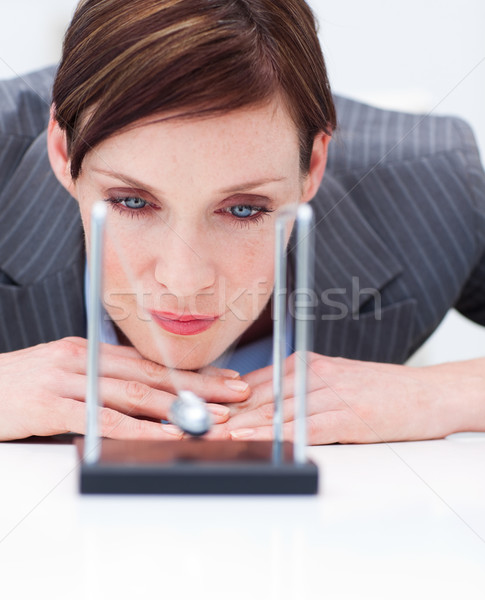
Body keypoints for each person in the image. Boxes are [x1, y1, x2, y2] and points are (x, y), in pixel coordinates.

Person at [0, 0, 484, 444]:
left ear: (313, 166)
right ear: (63, 152)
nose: (184, 283)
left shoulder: (434, 190)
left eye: (243, 210)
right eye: (131, 202)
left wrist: (438, 393)